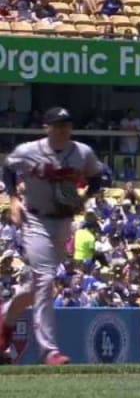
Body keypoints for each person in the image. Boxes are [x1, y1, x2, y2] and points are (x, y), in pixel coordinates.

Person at [0, 107, 106, 365]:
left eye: (66, 124)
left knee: (37, 285)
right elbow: (7, 167)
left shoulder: (81, 152)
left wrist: (85, 195)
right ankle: (49, 350)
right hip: (35, 219)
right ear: (46, 127)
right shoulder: (29, 151)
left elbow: (99, 176)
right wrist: (13, 199)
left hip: (63, 222)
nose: (62, 129)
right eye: (57, 125)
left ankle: (5, 319)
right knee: (46, 280)